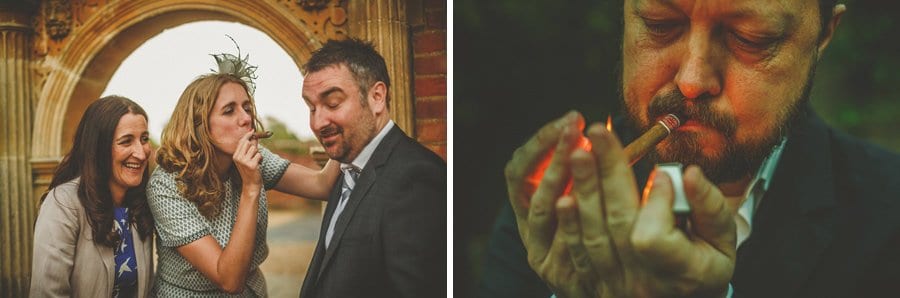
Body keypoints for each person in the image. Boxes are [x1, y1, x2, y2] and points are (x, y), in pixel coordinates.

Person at [482, 0, 900, 297]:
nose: (692, 80)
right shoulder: (560, 197)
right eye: (659, 24)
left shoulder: (887, 216)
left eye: (750, 38)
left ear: (823, 34)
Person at [146, 50, 341, 296]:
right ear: (199, 125)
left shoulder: (254, 157)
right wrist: (251, 188)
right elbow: (228, 279)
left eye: (247, 108)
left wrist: (342, 133)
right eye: (229, 111)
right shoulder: (167, 185)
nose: (246, 118)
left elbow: (322, 185)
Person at [297, 38, 447, 298]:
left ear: (377, 97)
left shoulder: (416, 178)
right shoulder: (348, 164)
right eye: (311, 108)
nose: (318, 122)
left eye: (332, 103)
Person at [31, 96, 155, 297]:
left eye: (144, 139)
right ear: (98, 148)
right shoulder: (63, 205)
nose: (141, 154)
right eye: (126, 141)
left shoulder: (140, 205)